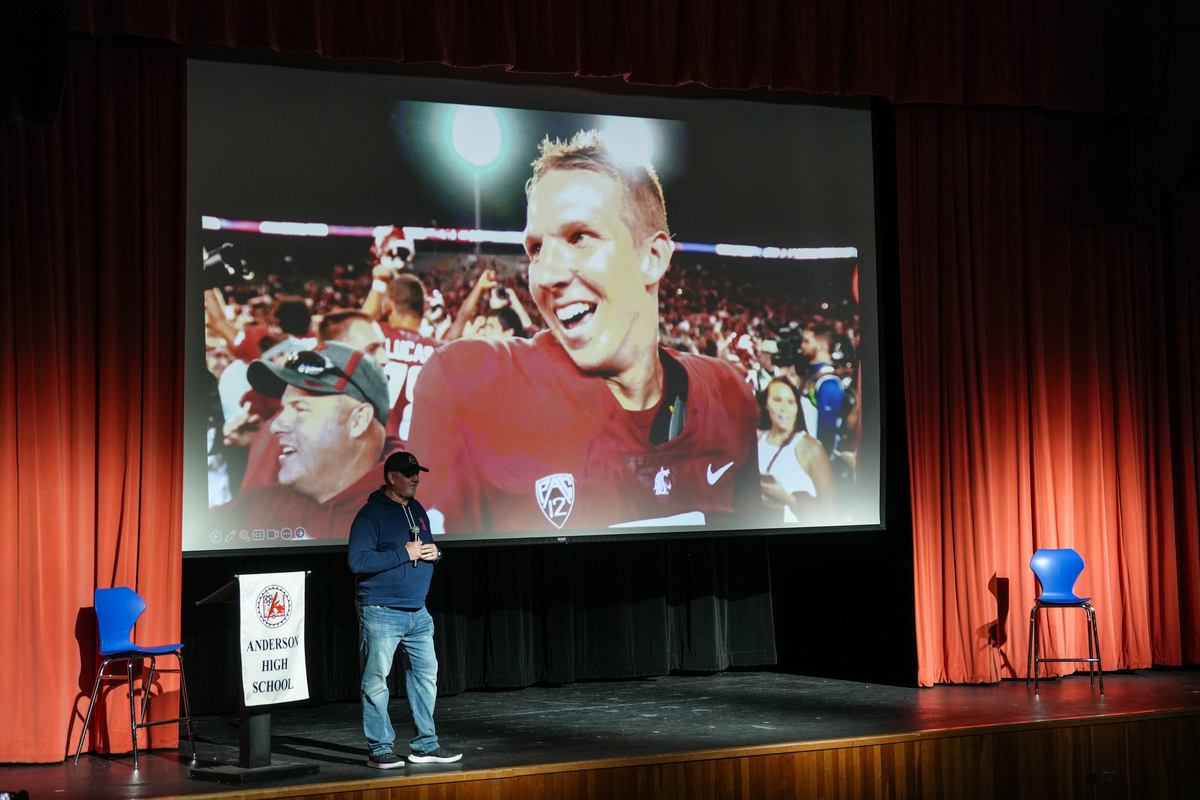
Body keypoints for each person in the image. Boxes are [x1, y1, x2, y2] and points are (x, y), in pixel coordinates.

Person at [406, 130, 761, 533]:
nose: (546, 275)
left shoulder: (730, 395)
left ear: (652, 257)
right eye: (536, 248)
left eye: (580, 237)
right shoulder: (468, 383)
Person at [209, 341, 394, 540]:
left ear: (359, 420)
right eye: (283, 408)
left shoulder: (415, 521)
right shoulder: (257, 506)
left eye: (300, 409)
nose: (275, 426)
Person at [348, 451, 461, 768]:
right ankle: (379, 749)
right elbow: (358, 561)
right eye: (409, 473)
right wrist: (403, 552)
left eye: (417, 473)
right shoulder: (371, 515)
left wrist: (436, 554)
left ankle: (425, 745)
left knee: (426, 678)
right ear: (391, 477)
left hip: (418, 613)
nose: (416, 478)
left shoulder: (418, 510)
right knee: (375, 683)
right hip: (381, 610)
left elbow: (426, 548)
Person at [756, 377, 835, 524]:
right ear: (766, 404)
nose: (784, 407)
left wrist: (787, 499)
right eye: (777, 400)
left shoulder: (811, 448)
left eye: (790, 402)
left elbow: (830, 513)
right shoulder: (756, 440)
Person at [799, 322, 845, 457]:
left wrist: (821, 462)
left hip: (816, 457)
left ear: (822, 345)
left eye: (807, 341)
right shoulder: (812, 375)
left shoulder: (828, 382)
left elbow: (827, 431)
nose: (802, 346)